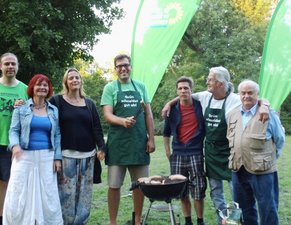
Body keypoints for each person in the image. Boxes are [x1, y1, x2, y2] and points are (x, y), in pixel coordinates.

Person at [162, 66, 269, 225]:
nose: (207, 81)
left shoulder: (234, 99)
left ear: (220, 83)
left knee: (236, 192)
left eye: (210, 79)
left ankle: (236, 221)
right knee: (216, 191)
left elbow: (254, 100)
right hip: (211, 153)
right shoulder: (205, 96)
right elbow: (184, 95)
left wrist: (264, 105)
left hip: (231, 152)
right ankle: (222, 220)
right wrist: (169, 104)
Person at [100, 54, 155, 225]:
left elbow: (148, 114)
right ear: (115, 69)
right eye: (119, 66)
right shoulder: (110, 88)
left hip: (139, 143)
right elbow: (107, 114)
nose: (123, 68)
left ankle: (137, 220)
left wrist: (151, 139)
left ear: (130, 67)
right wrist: (122, 121)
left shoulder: (141, 87)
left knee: (139, 184)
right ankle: (113, 221)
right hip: (118, 145)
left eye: (126, 65)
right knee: (114, 185)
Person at [3, 74, 63, 225]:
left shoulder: (53, 110)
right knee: (19, 192)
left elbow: (56, 135)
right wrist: (15, 145)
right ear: (32, 88)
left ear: (49, 89)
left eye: (45, 85)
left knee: (48, 194)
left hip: (47, 156)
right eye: (39, 85)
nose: (42, 88)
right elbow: (13, 130)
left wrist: (57, 157)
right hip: (24, 155)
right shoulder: (21, 108)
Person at [49, 68, 106, 225]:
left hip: (88, 157)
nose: (74, 80)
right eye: (71, 78)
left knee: (85, 196)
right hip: (66, 156)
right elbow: (42, 112)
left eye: (77, 77)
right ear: (66, 82)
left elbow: (96, 128)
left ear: (81, 81)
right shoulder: (56, 101)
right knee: (66, 195)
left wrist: (102, 147)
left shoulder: (89, 104)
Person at [226, 80, 285, 225]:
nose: (246, 96)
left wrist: (269, 158)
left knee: (267, 208)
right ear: (239, 94)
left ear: (257, 94)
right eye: (243, 93)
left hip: (262, 171)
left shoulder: (268, 114)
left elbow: (279, 139)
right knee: (243, 208)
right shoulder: (232, 114)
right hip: (238, 168)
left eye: (250, 92)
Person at [163, 76, 206, 225]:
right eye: (180, 88)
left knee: (198, 190)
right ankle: (188, 221)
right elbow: (166, 132)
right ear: (177, 91)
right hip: (178, 154)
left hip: (196, 153)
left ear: (191, 90)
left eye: (186, 88)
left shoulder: (200, 106)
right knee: (181, 190)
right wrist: (168, 151)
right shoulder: (172, 110)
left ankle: (200, 221)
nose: (183, 91)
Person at [0, 53, 28, 225]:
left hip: (13, 144)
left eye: (13, 64)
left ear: (17, 67)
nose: (10, 66)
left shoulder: (25, 90)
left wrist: (24, 106)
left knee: (8, 182)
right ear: (0, 66)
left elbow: (34, 113)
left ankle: (8, 217)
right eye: (6, 63)